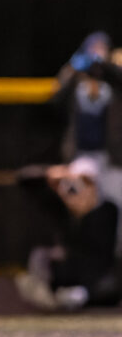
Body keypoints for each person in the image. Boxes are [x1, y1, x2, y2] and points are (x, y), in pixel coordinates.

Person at [15, 156, 121, 310]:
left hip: (96, 280)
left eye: (86, 183)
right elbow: (23, 179)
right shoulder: (61, 208)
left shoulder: (108, 210)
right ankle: (56, 295)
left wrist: (85, 211)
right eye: (75, 183)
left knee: (108, 286)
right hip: (66, 275)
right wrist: (51, 173)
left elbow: (98, 253)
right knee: (41, 255)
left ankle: (76, 297)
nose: (79, 189)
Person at [52, 31, 122, 227]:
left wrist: (105, 66)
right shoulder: (77, 82)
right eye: (92, 48)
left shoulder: (113, 81)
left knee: (116, 209)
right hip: (82, 156)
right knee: (77, 206)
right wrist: (73, 67)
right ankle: (78, 251)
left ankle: (116, 255)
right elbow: (55, 99)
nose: (96, 54)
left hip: (112, 159)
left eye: (101, 49)